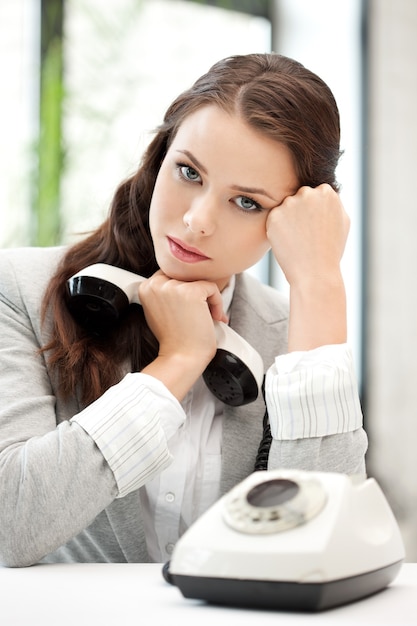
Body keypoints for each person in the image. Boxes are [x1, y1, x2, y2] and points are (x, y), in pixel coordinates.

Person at [0, 53, 367, 567]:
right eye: (189, 172)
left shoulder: (298, 338)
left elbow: (324, 550)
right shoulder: (19, 288)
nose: (196, 221)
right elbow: (10, 525)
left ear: (289, 220)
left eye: (247, 202)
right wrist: (176, 362)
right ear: (159, 161)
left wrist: (319, 282)